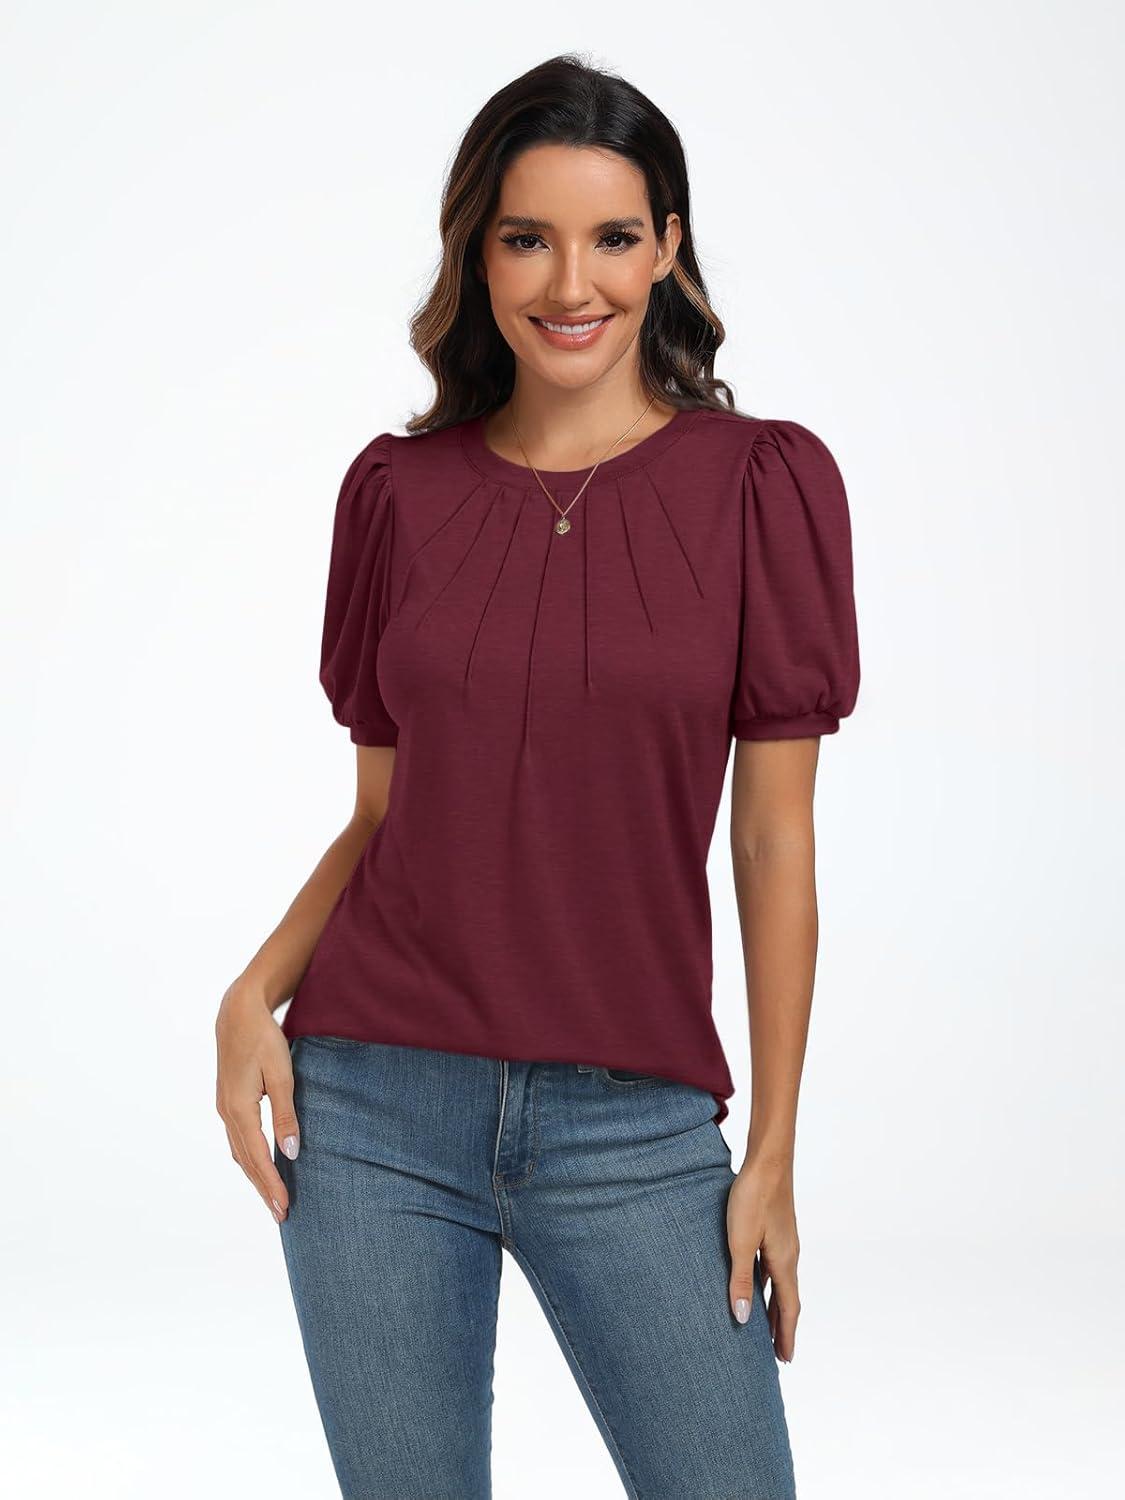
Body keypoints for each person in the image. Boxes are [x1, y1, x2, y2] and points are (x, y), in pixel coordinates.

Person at [214, 52, 860, 1500]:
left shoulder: (760, 485)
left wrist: (771, 1145)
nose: (573, 283)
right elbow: (386, 814)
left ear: (667, 248)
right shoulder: (399, 494)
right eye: (527, 238)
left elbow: (774, 842)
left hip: (633, 1120)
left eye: (613, 236)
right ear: (479, 255)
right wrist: (253, 993)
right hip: (371, 1106)